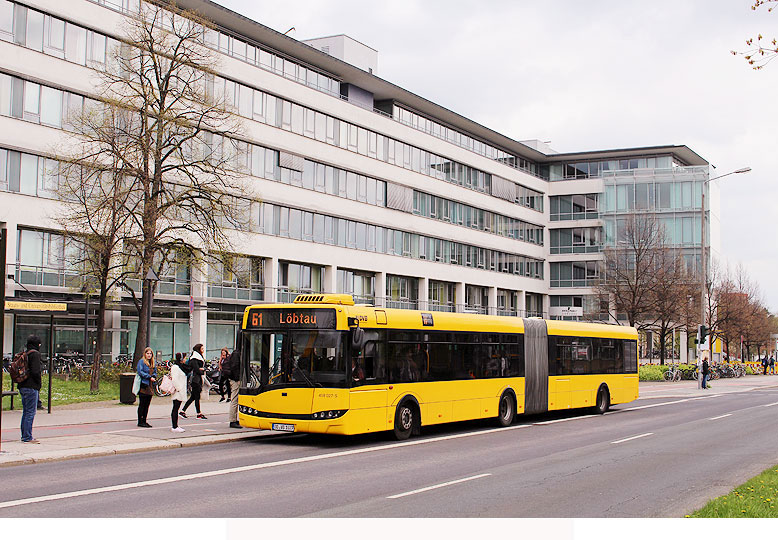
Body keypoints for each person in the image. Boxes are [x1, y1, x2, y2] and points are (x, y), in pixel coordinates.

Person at [18, 335, 43, 443]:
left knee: (26, 412)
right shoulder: (35, 354)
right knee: (30, 413)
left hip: (23, 386)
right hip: (31, 386)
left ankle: (24, 434)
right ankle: (27, 437)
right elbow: (36, 371)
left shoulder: (26, 353)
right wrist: (38, 384)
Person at [180, 343, 207, 419]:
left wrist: (202, 369)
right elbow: (196, 369)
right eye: (202, 349)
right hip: (195, 380)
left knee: (193, 397)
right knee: (196, 397)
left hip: (197, 379)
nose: (203, 350)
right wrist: (202, 370)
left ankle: (183, 411)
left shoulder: (197, 357)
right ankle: (198, 413)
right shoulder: (195, 358)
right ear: (198, 350)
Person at [136, 347, 157, 427]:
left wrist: (154, 376)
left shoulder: (152, 363)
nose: (149, 355)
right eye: (147, 353)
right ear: (145, 354)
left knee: (147, 404)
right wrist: (149, 377)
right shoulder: (141, 362)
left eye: (150, 353)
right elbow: (140, 372)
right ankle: (140, 421)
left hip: (150, 385)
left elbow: (155, 371)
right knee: (142, 403)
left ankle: (144, 419)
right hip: (144, 384)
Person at [224, 336, 242, 429]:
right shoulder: (237, 354)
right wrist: (238, 379)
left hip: (235, 379)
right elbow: (235, 367)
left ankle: (235, 419)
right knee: (234, 399)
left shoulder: (236, 353)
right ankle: (232, 420)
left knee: (235, 399)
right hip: (235, 380)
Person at [170, 352, 190, 433]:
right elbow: (174, 379)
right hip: (178, 391)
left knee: (177, 407)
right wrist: (178, 388)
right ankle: (174, 426)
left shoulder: (181, 367)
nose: (185, 360)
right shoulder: (175, 367)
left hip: (180, 390)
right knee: (175, 408)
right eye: (184, 358)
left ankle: (176, 425)